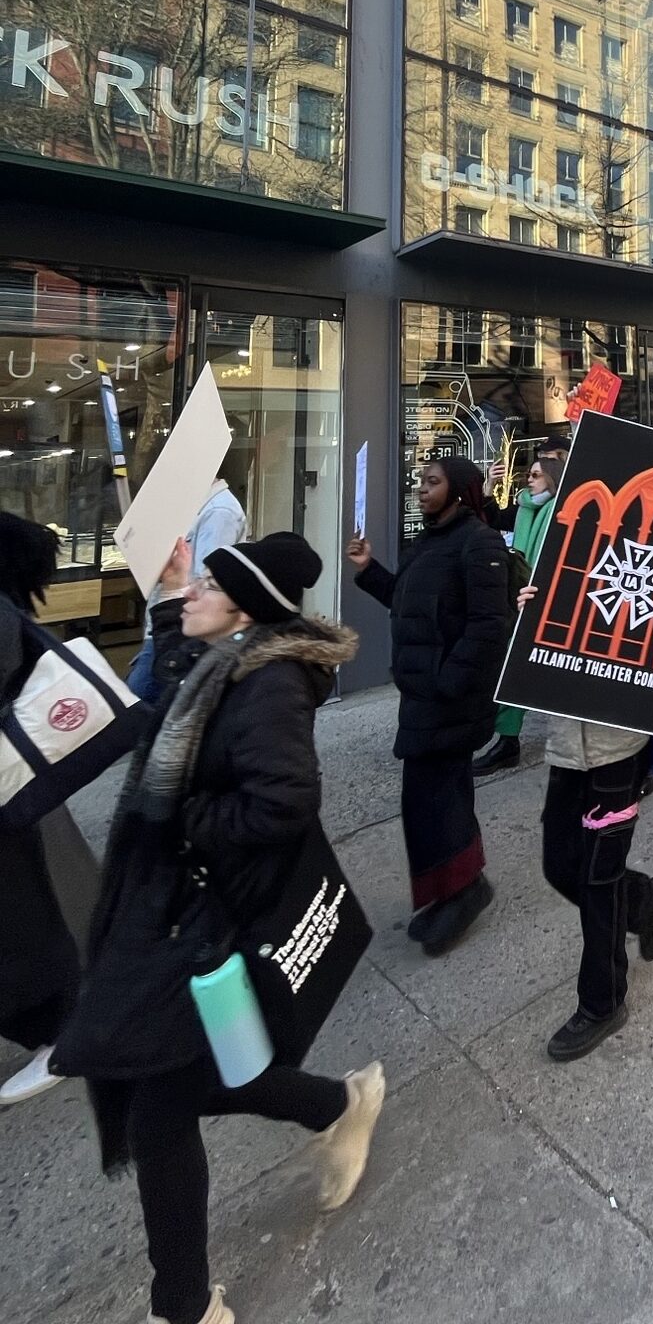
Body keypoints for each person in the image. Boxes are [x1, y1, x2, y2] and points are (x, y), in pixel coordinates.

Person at [54, 532, 382, 1324]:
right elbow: (177, 713)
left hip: (199, 920)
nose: (194, 590)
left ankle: (185, 1305)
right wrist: (169, 604)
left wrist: (183, 818)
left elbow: (282, 802)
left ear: (243, 610)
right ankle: (337, 1104)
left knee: (158, 1108)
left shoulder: (267, 685)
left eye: (205, 585)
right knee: (199, 1079)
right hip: (170, 909)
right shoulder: (227, 664)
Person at [514, 574, 653, 1062]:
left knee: (597, 881)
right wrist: (529, 614)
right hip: (568, 746)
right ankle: (644, 898)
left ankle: (602, 1002)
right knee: (559, 866)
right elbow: (540, 654)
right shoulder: (573, 559)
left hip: (619, 751)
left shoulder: (652, 572)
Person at [350, 456, 515, 955]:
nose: (421, 490)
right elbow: (407, 601)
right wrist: (369, 571)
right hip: (423, 694)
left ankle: (465, 891)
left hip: (450, 699)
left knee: (438, 797)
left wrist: (450, 680)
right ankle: (449, 890)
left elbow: (491, 624)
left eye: (433, 482)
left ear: (461, 491)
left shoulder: (479, 541)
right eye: (420, 482)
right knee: (428, 799)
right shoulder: (427, 541)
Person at [0, 514, 90, 1107]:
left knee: (22, 917)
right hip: (18, 792)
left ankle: (54, 1032)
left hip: (10, 794)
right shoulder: (10, 612)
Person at [126, 476, 247, 705]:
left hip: (180, 625)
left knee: (141, 699)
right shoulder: (193, 505)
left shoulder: (219, 510)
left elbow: (206, 578)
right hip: (168, 621)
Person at [475, 453, 559, 776]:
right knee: (516, 668)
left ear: (551, 477)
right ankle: (507, 742)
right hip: (519, 598)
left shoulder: (559, 509)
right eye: (529, 473)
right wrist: (490, 485)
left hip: (544, 601)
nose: (530, 478)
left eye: (536, 474)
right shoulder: (525, 506)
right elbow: (493, 518)